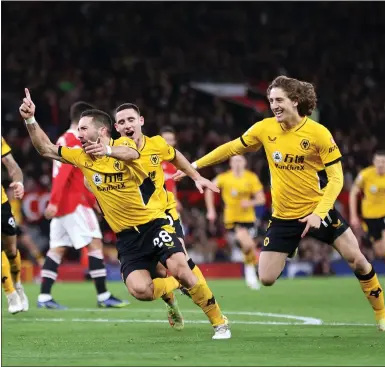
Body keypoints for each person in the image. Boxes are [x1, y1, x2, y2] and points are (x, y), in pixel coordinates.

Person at [174, 75, 385, 332]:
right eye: (271, 100)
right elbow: (232, 148)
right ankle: (290, 246)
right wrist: (193, 166)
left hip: (318, 211)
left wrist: (319, 213)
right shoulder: (265, 128)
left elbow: (336, 179)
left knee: (358, 260)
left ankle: (383, 317)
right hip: (283, 217)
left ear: (295, 101)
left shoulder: (318, 133)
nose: (274, 105)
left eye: (279, 100)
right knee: (266, 278)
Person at [19, 89, 231, 340]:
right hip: (127, 238)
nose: (79, 133)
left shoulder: (124, 144)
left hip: (154, 222)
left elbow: (133, 154)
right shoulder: (81, 157)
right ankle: (174, 287)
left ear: (102, 131)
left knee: (181, 267)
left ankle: (219, 322)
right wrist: (30, 120)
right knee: (140, 289)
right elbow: (45, 149)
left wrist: (107, 151)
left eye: (84, 128)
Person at [113, 103, 226, 332]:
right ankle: (171, 297)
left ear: (141, 121)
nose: (127, 125)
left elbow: (176, 157)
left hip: (164, 215)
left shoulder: (156, 144)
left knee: (180, 264)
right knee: (156, 275)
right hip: (134, 226)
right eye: (122, 122)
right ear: (116, 127)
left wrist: (196, 176)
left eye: (131, 120)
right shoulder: (113, 150)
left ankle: (219, 321)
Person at [37, 101, 128, 309]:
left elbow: (70, 175)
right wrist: (55, 201)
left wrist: (57, 203)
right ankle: (104, 295)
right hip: (74, 204)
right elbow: (65, 174)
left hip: (64, 205)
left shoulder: (63, 139)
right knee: (95, 243)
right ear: (81, 122)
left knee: (57, 250)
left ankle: (44, 297)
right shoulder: (73, 141)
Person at [205, 155, 265, 290]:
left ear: (245, 163)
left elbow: (261, 199)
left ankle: (251, 273)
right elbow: (209, 189)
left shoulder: (251, 177)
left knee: (248, 247)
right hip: (232, 220)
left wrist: (250, 202)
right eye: (234, 161)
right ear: (230, 164)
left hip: (249, 219)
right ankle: (252, 273)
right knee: (248, 243)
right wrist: (211, 210)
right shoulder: (224, 177)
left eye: (240, 160)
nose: (237, 163)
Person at [349, 151, 385, 289]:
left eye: (383, 162)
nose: (380, 164)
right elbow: (353, 192)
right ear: (374, 162)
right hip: (369, 217)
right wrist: (353, 216)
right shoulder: (365, 174)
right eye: (378, 161)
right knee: (379, 251)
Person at [1, 136, 29, 314]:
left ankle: (17, 284)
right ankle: (10, 294)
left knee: (11, 250)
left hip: (1, 203)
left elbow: (12, 166)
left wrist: (18, 182)